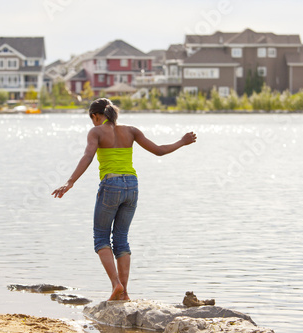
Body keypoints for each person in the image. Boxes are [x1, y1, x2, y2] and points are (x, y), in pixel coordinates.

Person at [51, 98, 197, 301]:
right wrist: (182, 141)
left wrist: (70, 182)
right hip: (132, 186)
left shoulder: (96, 132)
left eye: (92, 118)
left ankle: (115, 285)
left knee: (101, 238)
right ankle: (125, 293)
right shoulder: (131, 131)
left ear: (95, 116)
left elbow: (87, 156)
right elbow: (159, 150)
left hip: (111, 185)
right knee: (121, 239)